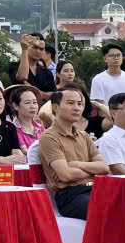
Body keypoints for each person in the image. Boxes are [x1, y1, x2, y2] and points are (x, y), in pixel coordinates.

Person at [38, 84, 109, 219]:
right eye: (71, 103)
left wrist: (76, 164)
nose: (77, 108)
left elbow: (104, 168)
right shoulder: (49, 137)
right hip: (71, 195)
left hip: (94, 188)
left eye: (80, 104)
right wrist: (92, 170)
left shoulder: (84, 136)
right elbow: (65, 175)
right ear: (55, 107)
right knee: (104, 209)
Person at [8, 86, 44, 151]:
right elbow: (25, 153)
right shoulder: (12, 128)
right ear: (15, 106)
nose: (33, 106)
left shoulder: (41, 128)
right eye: (27, 103)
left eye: (35, 102)